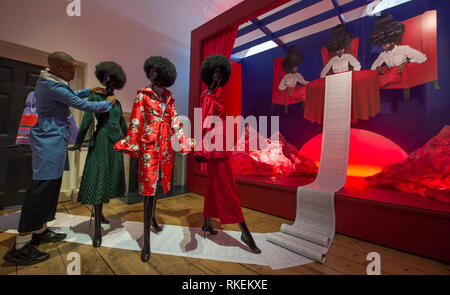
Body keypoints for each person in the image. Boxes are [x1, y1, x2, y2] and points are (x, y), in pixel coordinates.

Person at [3, 51, 116, 266]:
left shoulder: (52, 81)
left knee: (51, 187)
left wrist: (88, 90)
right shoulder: (51, 85)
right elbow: (84, 105)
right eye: (71, 69)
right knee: (40, 190)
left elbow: (69, 94)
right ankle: (21, 245)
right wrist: (108, 103)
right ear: (59, 68)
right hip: (48, 142)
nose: (74, 72)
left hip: (54, 141)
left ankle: (40, 231)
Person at [115, 56, 194, 262]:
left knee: (157, 187)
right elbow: (135, 121)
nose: (151, 75)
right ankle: (146, 241)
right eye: (149, 71)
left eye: (155, 71)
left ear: (164, 75)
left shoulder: (170, 99)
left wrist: (183, 141)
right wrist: (132, 142)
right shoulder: (142, 96)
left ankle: (151, 220)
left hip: (165, 149)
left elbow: (176, 121)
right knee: (148, 190)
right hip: (149, 148)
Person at [194, 54, 261, 254]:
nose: (217, 77)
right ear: (209, 75)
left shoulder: (213, 96)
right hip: (215, 150)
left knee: (213, 186)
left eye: (220, 74)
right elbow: (205, 122)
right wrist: (202, 149)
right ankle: (244, 231)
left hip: (220, 148)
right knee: (228, 190)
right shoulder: (207, 96)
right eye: (214, 73)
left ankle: (207, 223)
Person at [71, 61, 128, 248]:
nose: (109, 81)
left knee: (109, 180)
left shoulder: (118, 103)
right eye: (106, 78)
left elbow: (122, 123)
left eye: (112, 78)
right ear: (102, 79)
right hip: (102, 140)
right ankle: (97, 230)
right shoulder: (96, 97)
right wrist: (79, 142)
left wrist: (130, 141)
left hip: (116, 144)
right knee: (99, 181)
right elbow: (87, 118)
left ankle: (100, 214)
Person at [369, 14, 427, 87]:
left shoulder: (403, 49)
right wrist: (378, 68)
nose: (384, 47)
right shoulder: (383, 54)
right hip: (389, 75)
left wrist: (404, 64)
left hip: (400, 74)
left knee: (379, 81)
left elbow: (422, 57)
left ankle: (374, 84)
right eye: (382, 44)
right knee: (377, 80)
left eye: (386, 44)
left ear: (392, 42)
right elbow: (373, 67)